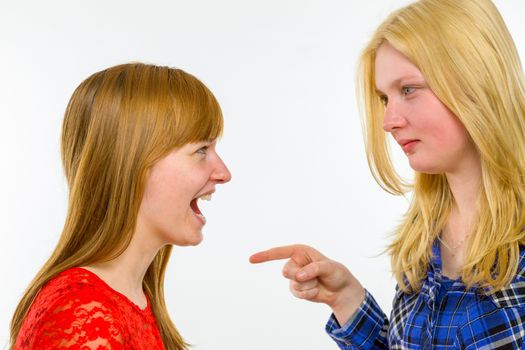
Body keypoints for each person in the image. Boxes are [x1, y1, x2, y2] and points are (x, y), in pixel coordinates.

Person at [250, 0, 525, 348]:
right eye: (384, 98)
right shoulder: (424, 236)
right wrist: (347, 299)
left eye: (408, 90)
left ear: (473, 81)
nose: (388, 122)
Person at [10, 63, 231, 349]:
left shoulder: (128, 299)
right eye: (201, 150)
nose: (223, 172)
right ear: (134, 164)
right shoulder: (82, 313)